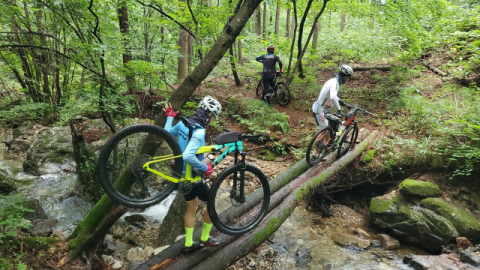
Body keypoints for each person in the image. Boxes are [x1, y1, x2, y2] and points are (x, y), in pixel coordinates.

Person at [163, 96, 222, 254]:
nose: (212, 121)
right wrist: (206, 168)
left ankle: (189, 243)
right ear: (209, 115)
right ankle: (204, 238)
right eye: (213, 117)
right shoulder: (199, 131)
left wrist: (169, 117)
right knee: (212, 202)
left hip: (181, 176)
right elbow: (188, 156)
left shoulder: (183, 123)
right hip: (192, 177)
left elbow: (167, 132)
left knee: (192, 207)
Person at [311, 64, 353, 135]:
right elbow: (333, 96)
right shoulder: (335, 83)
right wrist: (339, 110)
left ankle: (323, 142)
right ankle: (320, 144)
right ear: (345, 76)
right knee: (326, 131)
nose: (347, 80)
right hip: (319, 110)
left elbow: (331, 95)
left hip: (320, 108)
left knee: (328, 127)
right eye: (347, 78)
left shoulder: (333, 81)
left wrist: (341, 102)